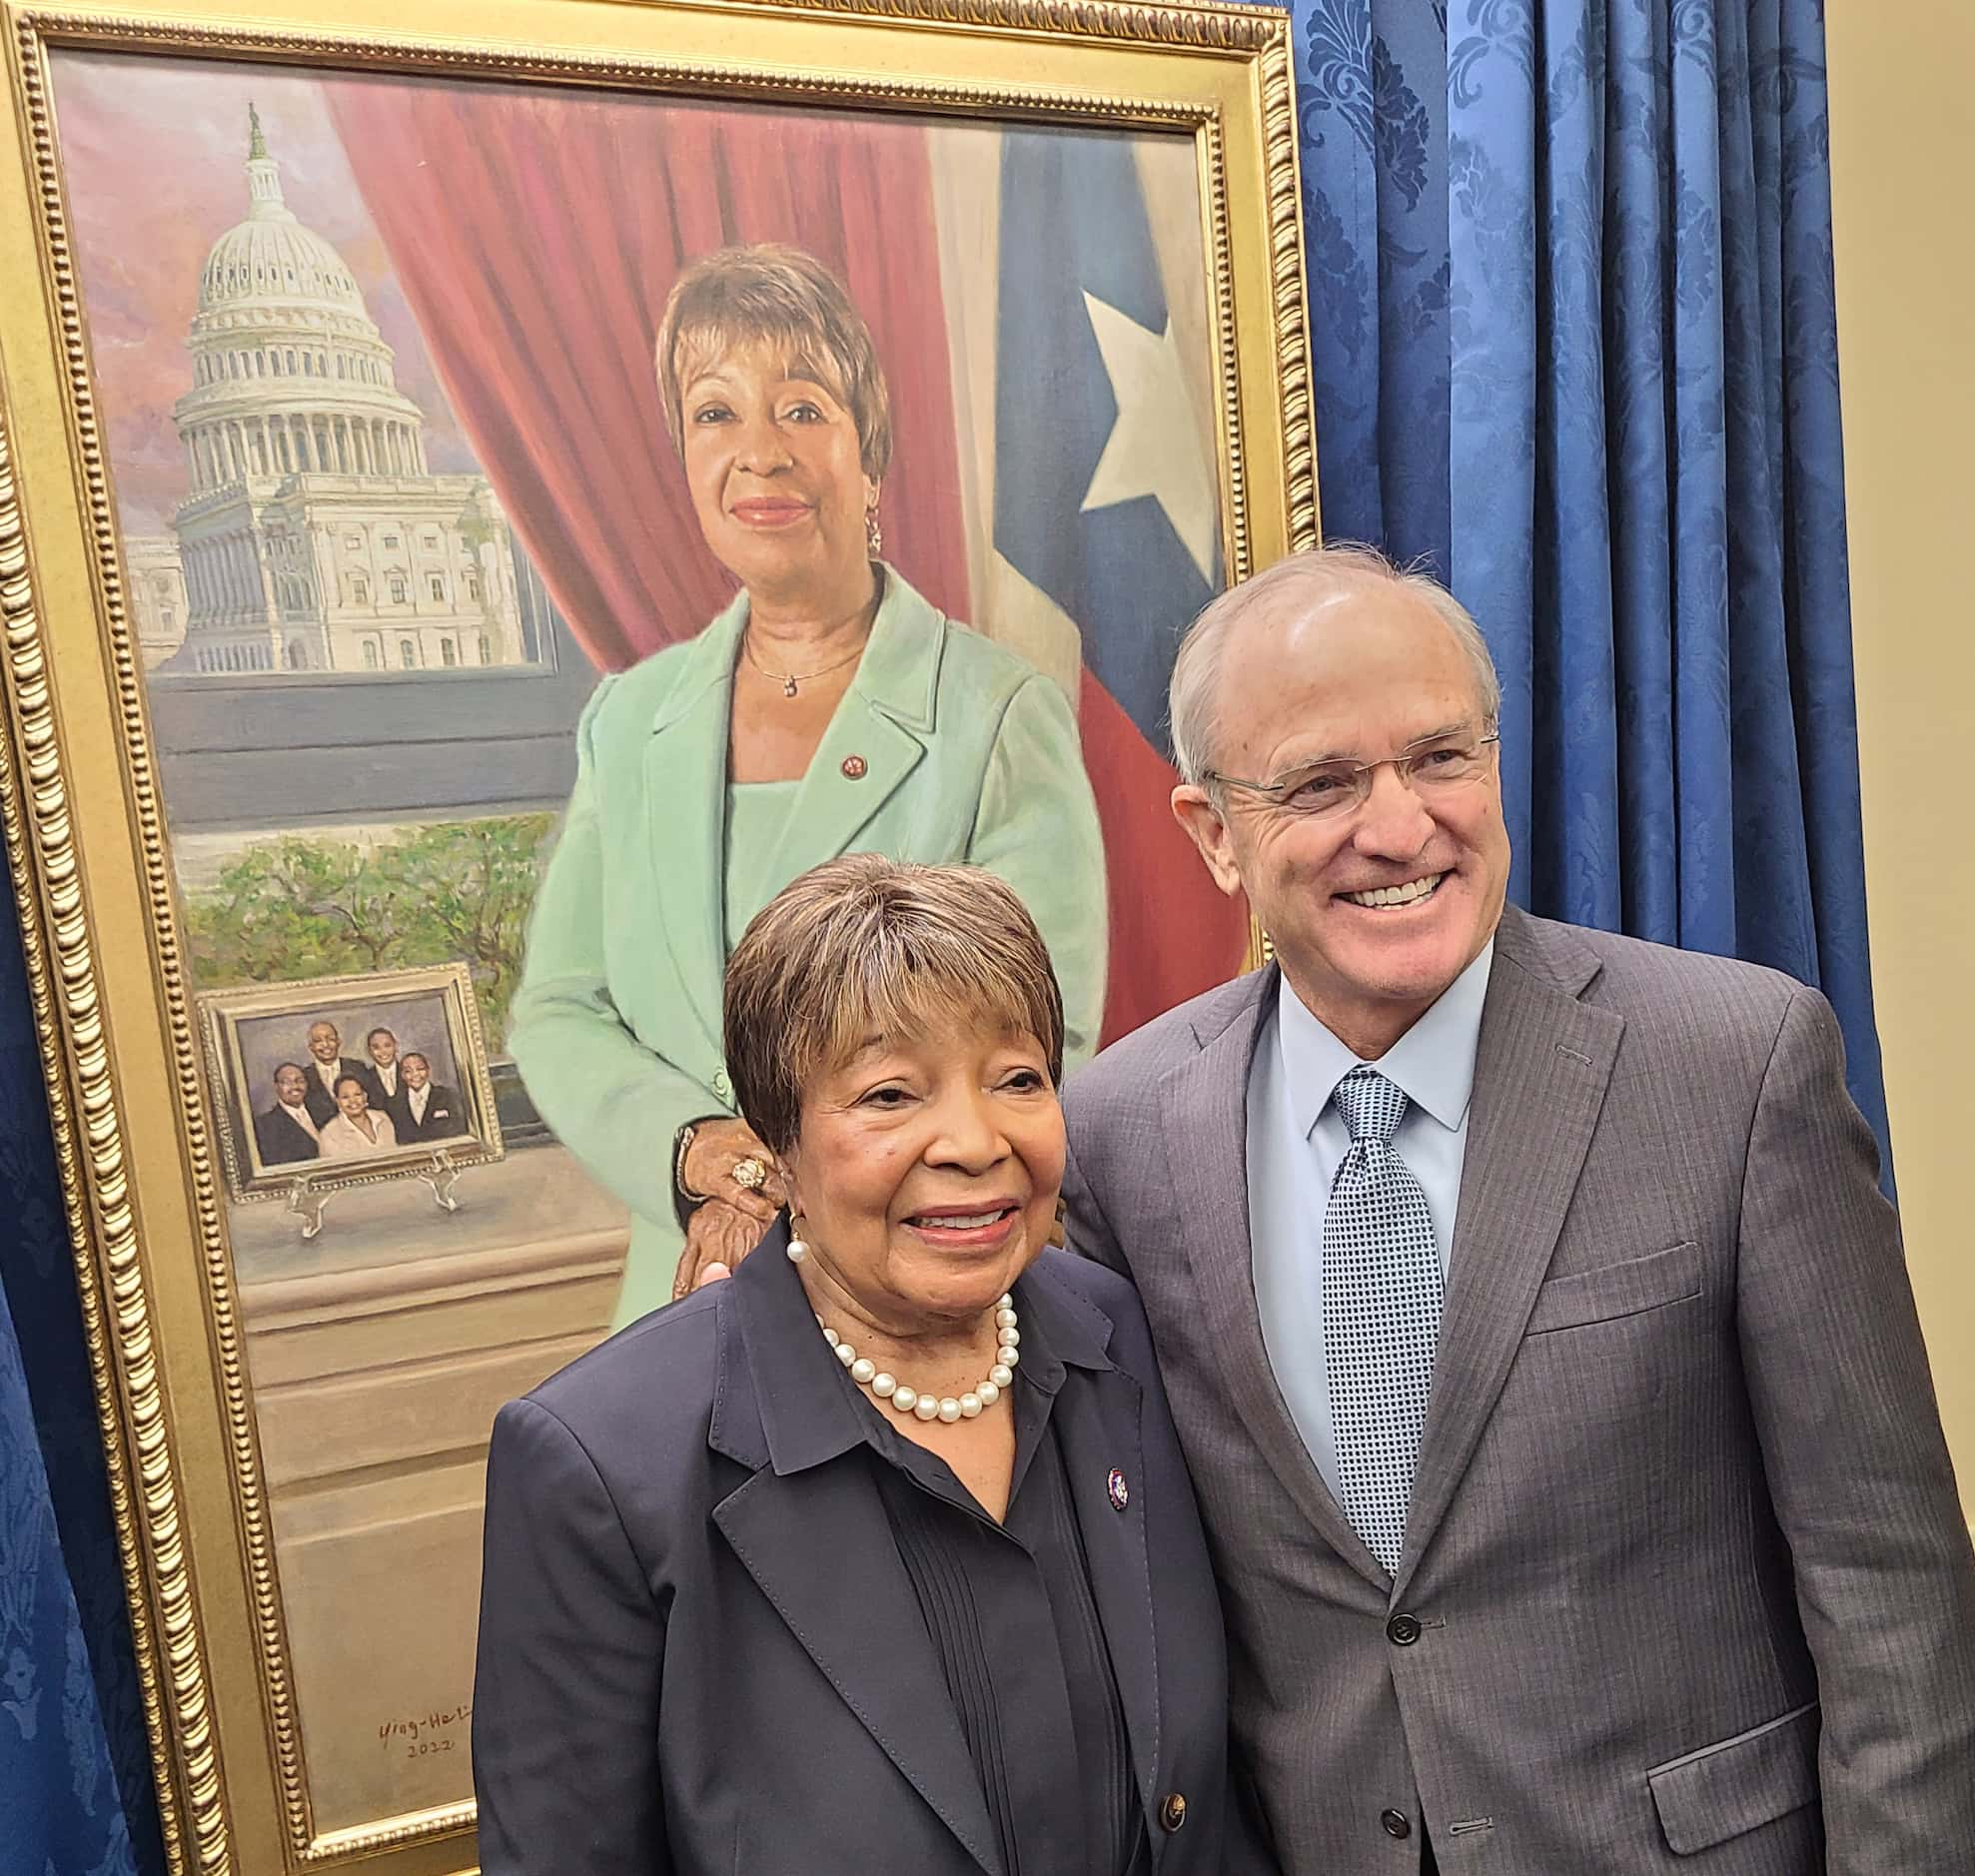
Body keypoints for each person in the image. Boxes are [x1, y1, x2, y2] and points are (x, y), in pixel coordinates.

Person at [1059, 545, 1975, 1872]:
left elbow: (1891, 1590)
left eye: (1439, 756)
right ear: (1212, 833)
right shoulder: (1120, 1135)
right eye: (1322, 782)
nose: (1398, 825)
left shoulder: (1734, 1064)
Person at [474, 856, 1268, 1876]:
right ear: (780, 1146)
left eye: (1017, 1078)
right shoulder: (599, 1465)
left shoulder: (1114, 1337)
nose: (976, 1142)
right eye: (891, 1093)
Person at [507, 242, 1108, 1331]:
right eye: (715, 414)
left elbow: (1040, 1048)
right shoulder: (630, 722)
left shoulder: (999, 715)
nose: (759, 455)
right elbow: (559, 1011)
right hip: (685, 1303)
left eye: (800, 408)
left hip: (924, 1296)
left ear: (869, 455)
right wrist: (700, 1154)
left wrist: (803, 1181)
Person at [300, 1020, 369, 1128]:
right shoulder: (303, 1077)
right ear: (311, 1047)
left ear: (338, 1041)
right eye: (318, 1041)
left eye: (330, 1039)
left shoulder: (357, 1067)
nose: (325, 1045)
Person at [316, 1074, 399, 1160]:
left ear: (365, 1096)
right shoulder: (329, 1134)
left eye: (357, 1094)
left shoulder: (383, 1118)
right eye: (345, 1097)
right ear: (337, 1101)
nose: (352, 1101)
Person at [253, 1062, 320, 1166]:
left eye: (300, 1081)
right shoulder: (265, 1126)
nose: (295, 1086)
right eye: (287, 1082)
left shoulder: (323, 1111)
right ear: (276, 1086)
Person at [398, 1052, 466, 1143]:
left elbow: (460, 1130)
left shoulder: (448, 1096)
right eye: (408, 1071)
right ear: (402, 1075)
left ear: (428, 1070)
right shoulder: (395, 1103)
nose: (415, 1074)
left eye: (420, 1069)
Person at [359, 1026, 408, 1125]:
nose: (383, 1051)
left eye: (387, 1045)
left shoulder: (409, 1072)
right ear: (369, 1051)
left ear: (396, 1046)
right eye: (376, 1047)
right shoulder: (364, 1078)